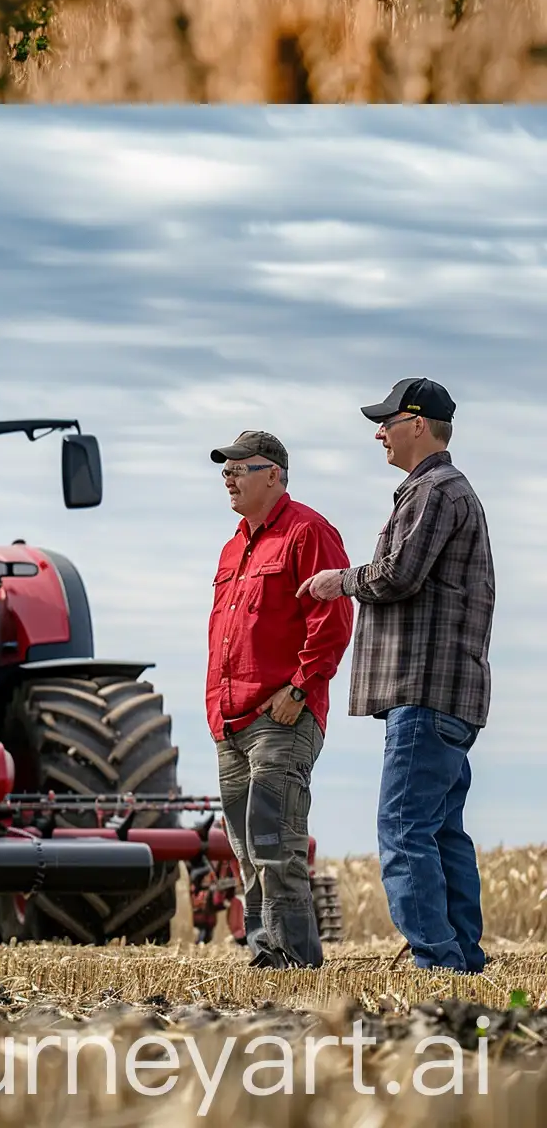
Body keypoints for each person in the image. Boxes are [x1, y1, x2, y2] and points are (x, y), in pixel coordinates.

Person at [299, 379, 494, 973]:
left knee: (404, 828)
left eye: (387, 420)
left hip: (424, 693)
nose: (378, 432)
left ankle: (437, 962)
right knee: (441, 832)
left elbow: (399, 574)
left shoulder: (433, 490)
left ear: (419, 424)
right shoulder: (449, 491)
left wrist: (341, 580)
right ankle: (462, 956)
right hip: (452, 696)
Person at [205, 430, 353, 968]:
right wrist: (218, 713)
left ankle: (295, 960)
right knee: (247, 851)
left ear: (274, 474)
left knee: (277, 843)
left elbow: (334, 621)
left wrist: (299, 688)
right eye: (225, 468)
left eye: (239, 467)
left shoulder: (308, 532)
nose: (228, 476)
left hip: (280, 715)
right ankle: (267, 955)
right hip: (230, 719)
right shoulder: (232, 547)